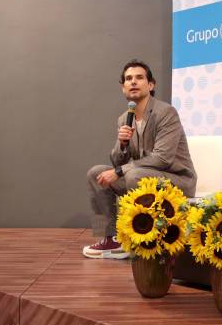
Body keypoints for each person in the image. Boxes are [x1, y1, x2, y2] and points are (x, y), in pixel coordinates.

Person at [83, 59, 196, 259]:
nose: (133, 82)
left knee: (135, 175)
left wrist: (119, 171)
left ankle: (145, 239)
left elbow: (162, 158)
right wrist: (122, 143)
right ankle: (111, 238)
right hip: (140, 176)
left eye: (139, 78)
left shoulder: (165, 112)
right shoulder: (124, 118)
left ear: (150, 85)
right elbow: (118, 161)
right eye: (128, 79)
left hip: (177, 181)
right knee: (96, 173)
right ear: (123, 88)